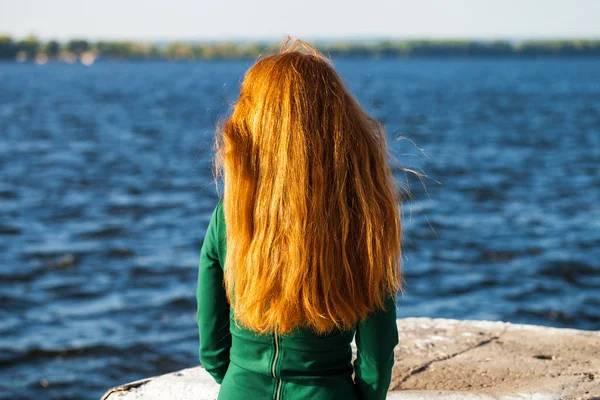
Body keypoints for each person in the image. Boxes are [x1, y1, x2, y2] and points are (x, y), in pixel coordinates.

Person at [197, 37, 404, 400]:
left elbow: (212, 346)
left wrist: (239, 379)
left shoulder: (231, 216)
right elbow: (377, 352)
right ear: (339, 129)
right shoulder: (363, 218)